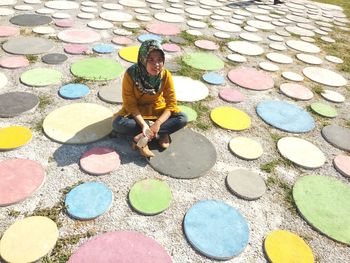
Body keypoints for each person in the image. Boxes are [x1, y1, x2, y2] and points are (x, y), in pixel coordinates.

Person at [113, 40, 187, 158]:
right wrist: (143, 125)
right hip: (137, 113)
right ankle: (162, 133)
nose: (156, 64)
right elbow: (130, 105)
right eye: (151, 60)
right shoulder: (131, 75)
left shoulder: (165, 75)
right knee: (118, 124)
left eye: (159, 59)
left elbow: (171, 104)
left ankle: (142, 139)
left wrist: (157, 123)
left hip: (158, 110)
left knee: (182, 118)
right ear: (143, 59)